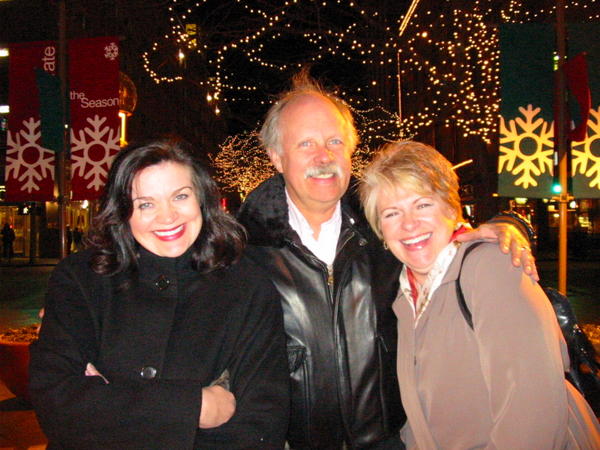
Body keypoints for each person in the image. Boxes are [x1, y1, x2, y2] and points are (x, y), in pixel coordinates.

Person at [237, 70, 536, 449]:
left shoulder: (387, 230)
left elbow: (442, 234)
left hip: (392, 441)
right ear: (276, 158)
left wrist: (507, 225)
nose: (324, 157)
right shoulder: (243, 250)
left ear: (350, 151)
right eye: (306, 144)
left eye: (334, 141)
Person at [29, 139, 290, 449]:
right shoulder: (80, 279)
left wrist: (111, 402)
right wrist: (196, 407)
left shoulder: (247, 287)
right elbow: (57, 405)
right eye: (146, 204)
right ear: (123, 212)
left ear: (202, 199)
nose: (167, 217)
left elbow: (262, 424)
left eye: (180, 196)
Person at [359, 140, 600, 449]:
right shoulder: (405, 295)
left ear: (450, 208)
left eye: (422, 205)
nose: (409, 224)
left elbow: (532, 412)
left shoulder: (489, 267)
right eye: (392, 213)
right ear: (380, 228)